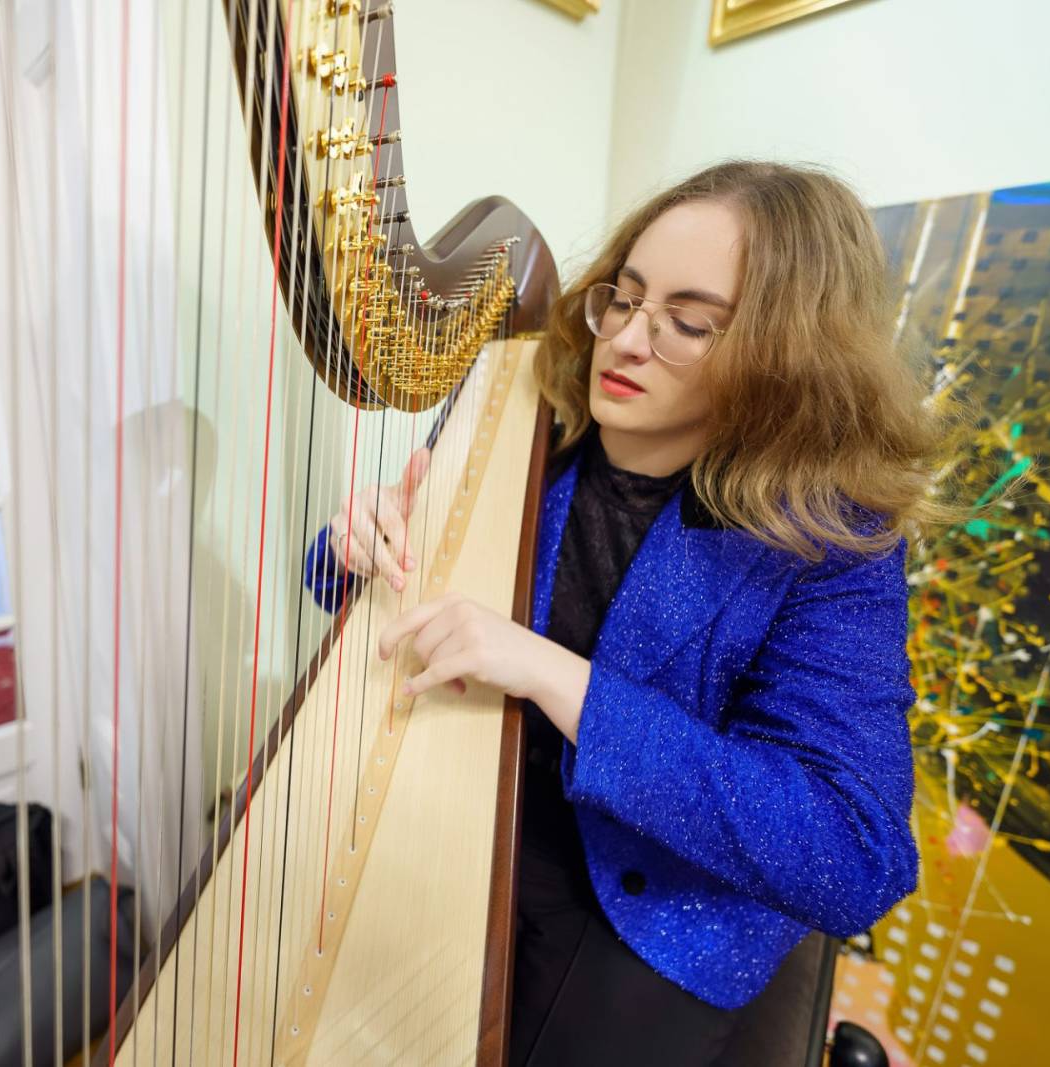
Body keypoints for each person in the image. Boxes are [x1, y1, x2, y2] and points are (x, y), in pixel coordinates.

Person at [303, 160, 958, 1066]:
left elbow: (853, 854)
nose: (628, 339)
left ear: (781, 354)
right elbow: (400, 596)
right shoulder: (538, 424)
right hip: (462, 818)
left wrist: (556, 675)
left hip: (653, 912)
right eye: (626, 297)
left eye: (689, 323)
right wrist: (349, 548)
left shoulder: (833, 542)